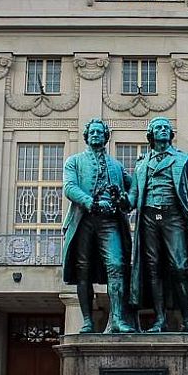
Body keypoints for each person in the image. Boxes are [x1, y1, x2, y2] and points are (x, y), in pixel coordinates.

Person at [128, 117, 188, 333]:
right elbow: (133, 197)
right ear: (151, 135)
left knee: (179, 267)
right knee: (153, 268)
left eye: (166, 128)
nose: (163, 130)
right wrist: (120, 200)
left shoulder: (183, 159)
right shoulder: (141, 164)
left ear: (171, 134)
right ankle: (159, 319)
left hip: (174, 217)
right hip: (149, 217)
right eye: (158, 128)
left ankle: (187, 319)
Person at [62, 118, 135, 334]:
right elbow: (70, 187)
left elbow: (134, 193)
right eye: (92, 132)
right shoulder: (74, 161)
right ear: (86, 136)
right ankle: (87, 320)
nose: (95, 135)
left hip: (110, 221)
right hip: (84, 220)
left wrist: (121, 197)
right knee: (83, 270)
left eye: (99, 132)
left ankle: (118, 320)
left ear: (106, 137)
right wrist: (90, 202)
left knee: (117, 265)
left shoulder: (117, 166)